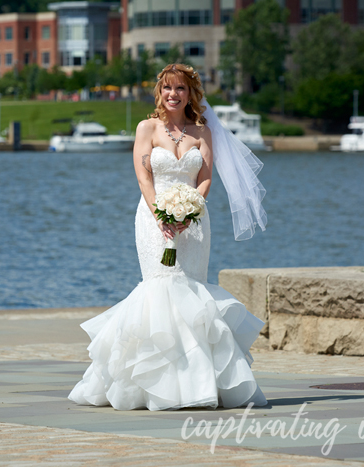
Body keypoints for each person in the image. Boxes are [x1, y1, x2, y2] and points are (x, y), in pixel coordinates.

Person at [68, 63, 268, 411]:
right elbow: (144, 178)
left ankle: (196, 383)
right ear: (159, 92)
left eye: (180, 89)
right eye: (167, 89)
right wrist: (161, 214)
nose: (173, 95)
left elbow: (205, 178)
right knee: (160, 286)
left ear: (191, 94)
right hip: (152, 219)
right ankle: (148, 385)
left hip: (194, 222)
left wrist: (191, 210)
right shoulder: (147, 128)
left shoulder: (202, 132)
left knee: (190, 290)